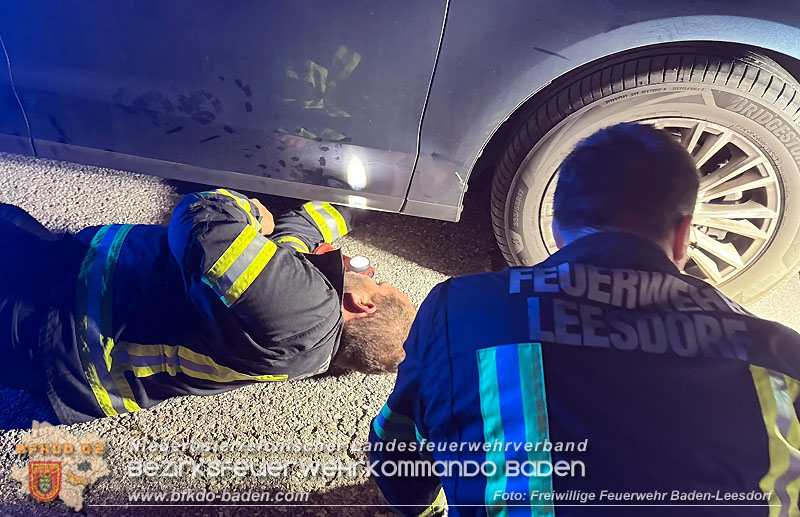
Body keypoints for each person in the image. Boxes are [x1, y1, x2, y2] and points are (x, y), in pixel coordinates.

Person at [368, 123, 800, 516]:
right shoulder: (780, 355)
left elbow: (398, 443)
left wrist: (423, 511)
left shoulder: (463, 308)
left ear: (557, 228)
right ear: (684, 233)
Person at [0, 188, 415, 424]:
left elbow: (200, 221)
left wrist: (251, 212)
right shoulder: (312, 338)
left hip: (53, 321)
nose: (371, 273)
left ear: (362, 305)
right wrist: (352, 207)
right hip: (68, 320)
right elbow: (286, 250)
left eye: (377, 282)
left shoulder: (305, 311)